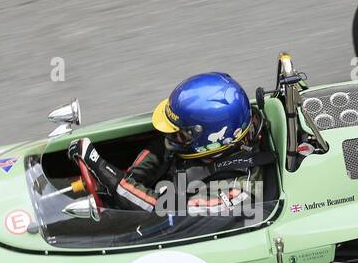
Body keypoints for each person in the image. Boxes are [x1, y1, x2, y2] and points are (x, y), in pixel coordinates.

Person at [67, 72, 270, 216]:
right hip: (173, 191)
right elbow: (164, 147)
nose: (171, 140)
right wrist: (129, 178)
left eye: (180, 135)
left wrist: (105, 171)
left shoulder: (236, 194)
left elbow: (162, 210)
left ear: (211, 138)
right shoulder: (215, 145)